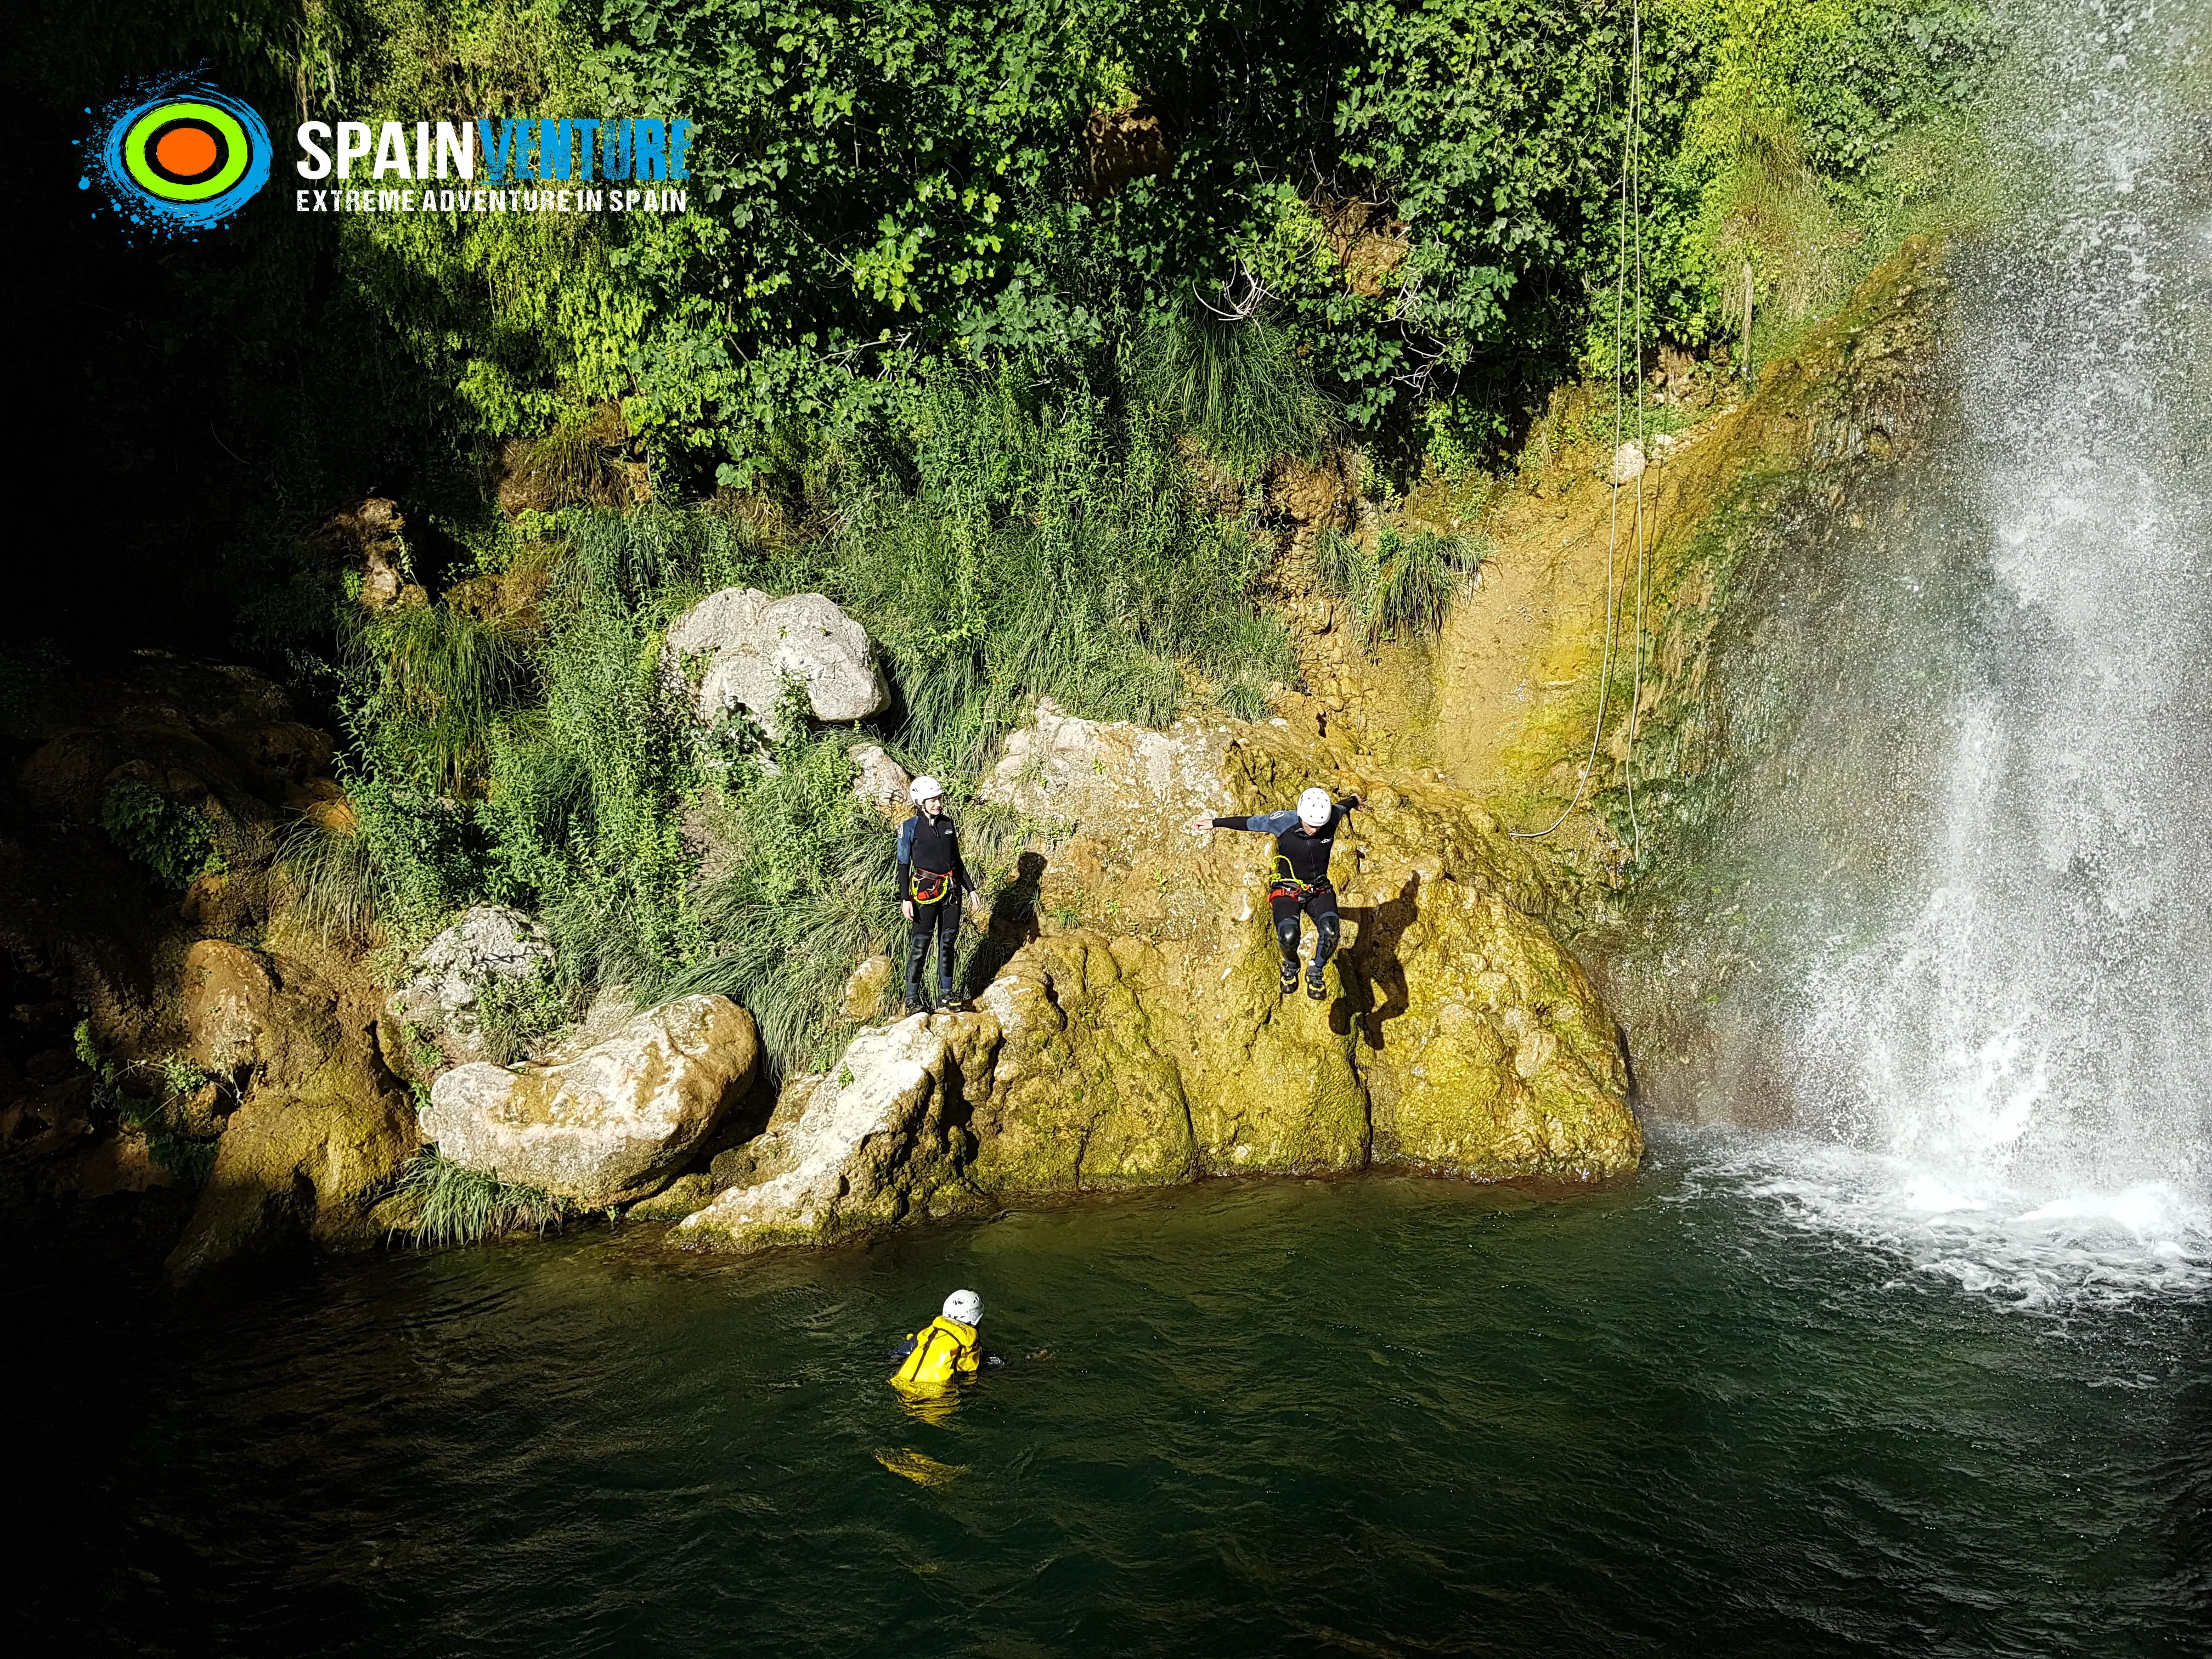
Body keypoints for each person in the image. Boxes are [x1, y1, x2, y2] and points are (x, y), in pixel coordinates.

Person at [1188, 786, 1364, 998]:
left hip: (1318, 889)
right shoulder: (1283, 821)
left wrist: (1355, 800)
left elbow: (1344, 807)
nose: (1314, 830)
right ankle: (1291, 965)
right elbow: (1250, 822)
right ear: (1300, 814)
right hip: (1287, 889)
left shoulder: (1331, 816)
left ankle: (1316, 970)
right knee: (1289, 936)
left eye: (1319, 826)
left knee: (1331, 932)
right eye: (1310, 825)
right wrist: (1215, 823)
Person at [896, 777, 978, 1013]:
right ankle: (912, 1000)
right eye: (933, 799)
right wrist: (905, 899)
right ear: (920, 801)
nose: (938, 803)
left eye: (939, 799)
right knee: (920, 946)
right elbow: (903, 864)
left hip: (952, 892)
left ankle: (946, 995)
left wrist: (971, 889)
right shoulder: (910, 827)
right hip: (924, 894)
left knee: (948, 943)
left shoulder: (947, 825)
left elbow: (957, 861)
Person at [888, 1289, 1003, 1395]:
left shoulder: (928, 1334)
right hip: (936, 1400)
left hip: (900, 1387)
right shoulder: (970, 1347)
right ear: (976, 1320)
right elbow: (973, 1373)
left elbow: (896, 1354)